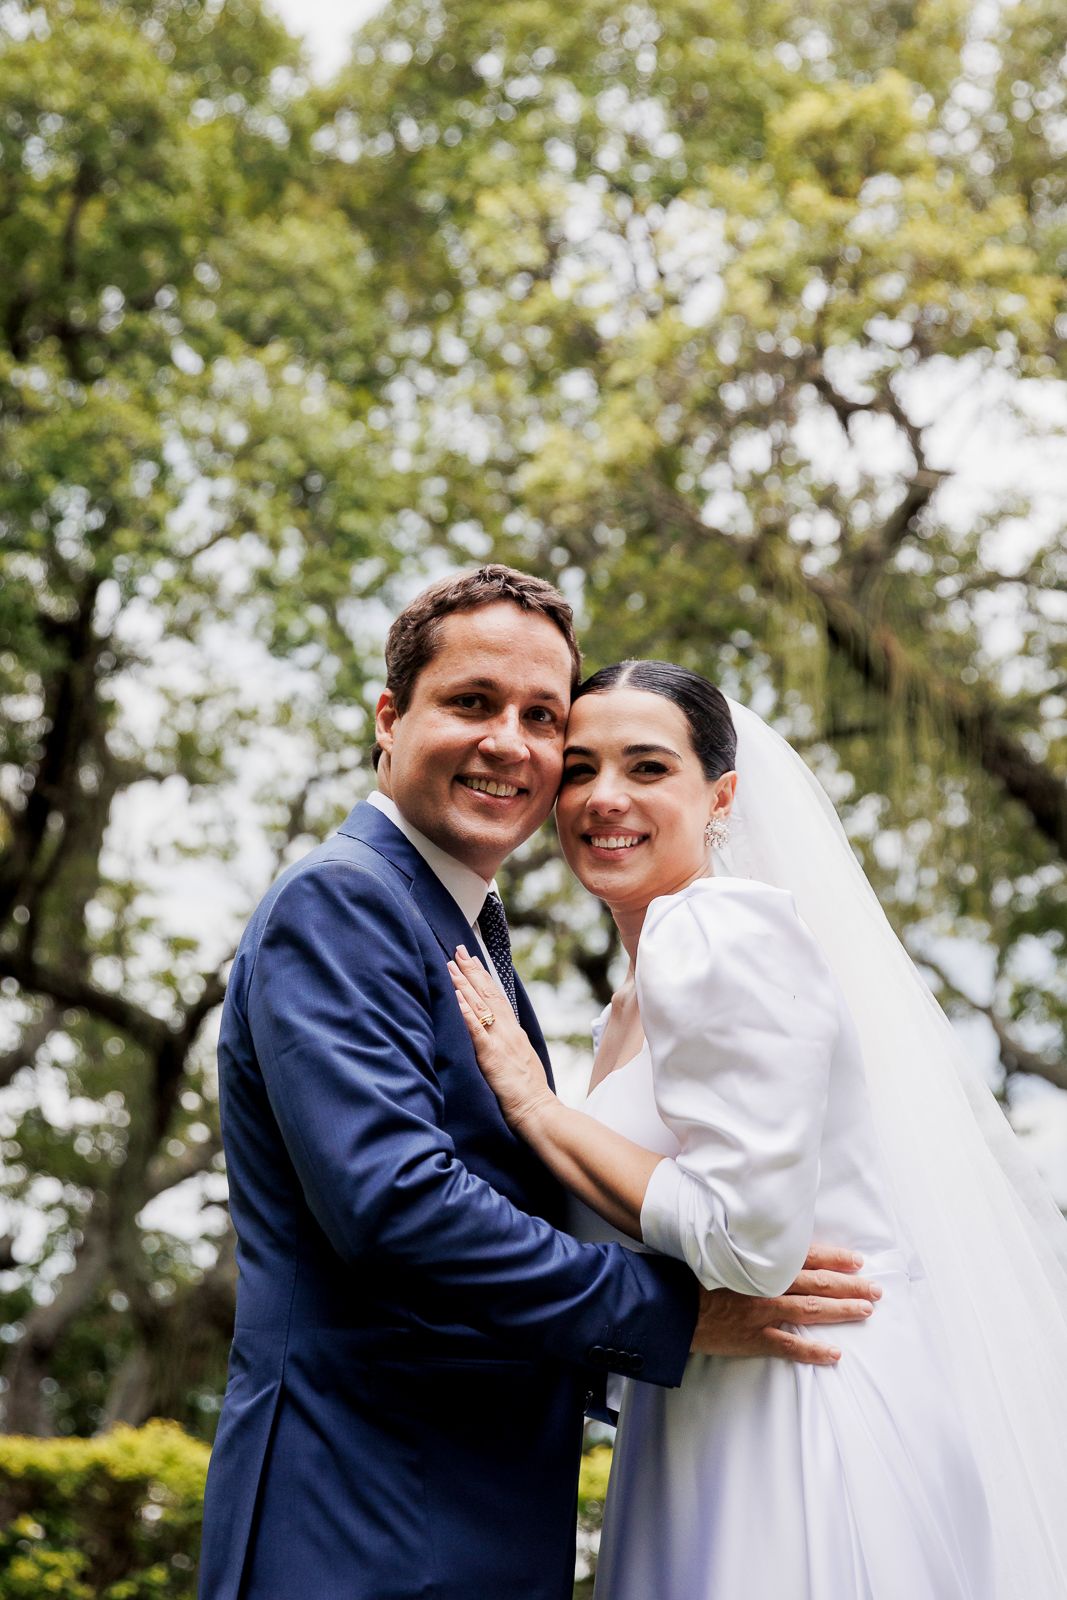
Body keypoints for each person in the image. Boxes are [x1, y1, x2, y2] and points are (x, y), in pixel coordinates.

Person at [197, 570, 877, 1600]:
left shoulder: (462, 925)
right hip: (364, 1516)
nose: (509, 741)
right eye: (471, 702)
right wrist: (676, 1315)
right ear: (389, 718)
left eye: (539, 716)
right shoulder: (342, 901)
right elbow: (396, 1205)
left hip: (468, 1511)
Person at [450, 658, 1067, 1599]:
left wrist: (537, 1110)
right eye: (578, 769)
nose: (604, 797)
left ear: (721, 795)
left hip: (797, 1419)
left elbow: (747, 1241)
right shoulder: (635, 995)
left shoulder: (715, 934)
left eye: (647, 768)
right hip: (705, 1409)